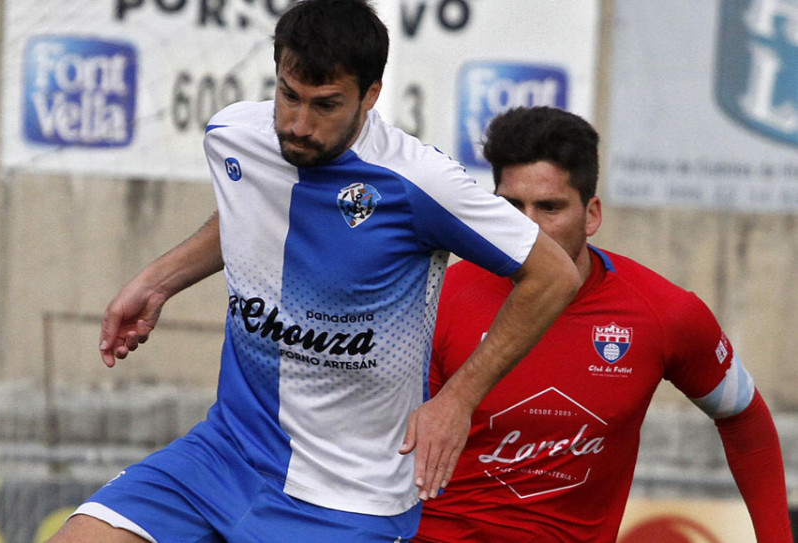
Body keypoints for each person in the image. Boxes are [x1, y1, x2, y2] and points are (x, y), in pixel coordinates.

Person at [47, 2, 581, 541]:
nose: (298, 125)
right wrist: (158, 281)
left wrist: (458, 400)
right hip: (224, 457)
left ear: (370, 96)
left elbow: (553, 275)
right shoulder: (234, 136)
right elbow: (250, 214)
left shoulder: (419, 182)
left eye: (326, 105)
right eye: (288, 95)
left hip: (347, 497)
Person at [414, 106, 793, 542]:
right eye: (511, 206)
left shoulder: (664, 313)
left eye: (550, 207)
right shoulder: (439, 297)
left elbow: (744, 418)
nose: (526, 227)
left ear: (591, 214)